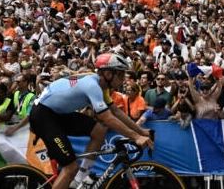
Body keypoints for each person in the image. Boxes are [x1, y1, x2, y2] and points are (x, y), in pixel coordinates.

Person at [29, 53, 153, 189]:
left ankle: (80, 179)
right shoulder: (92, 85)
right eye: (120, 75)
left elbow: (116, 112)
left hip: (56, 114)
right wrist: (136, 137)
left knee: (99, 130)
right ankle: (75, 176)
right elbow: (107, 117)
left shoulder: (101, 87)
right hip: (43, 115)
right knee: (70, 168)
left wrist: (141, 131)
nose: (123, 79)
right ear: (107, 73)